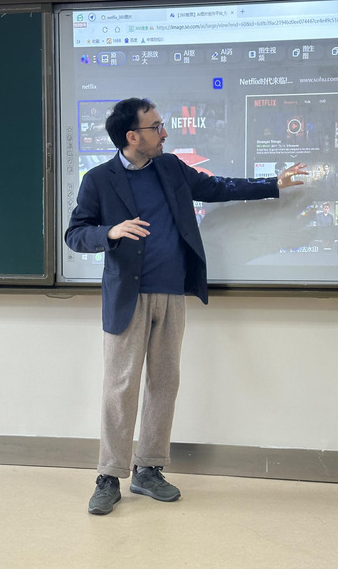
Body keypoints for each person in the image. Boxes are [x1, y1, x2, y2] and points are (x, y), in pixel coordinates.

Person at [65, 97, 308, 515]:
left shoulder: (171, 167)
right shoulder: (99, 179)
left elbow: (217, 188)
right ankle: (108, 476)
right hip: (126, 297)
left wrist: (273, 184)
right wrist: (110, 232)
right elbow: (75, 234)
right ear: (132, 136)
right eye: (156, 127)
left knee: (164, 384)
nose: (164, 133)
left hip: (172, 293)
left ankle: (148, 469)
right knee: (120, 387)